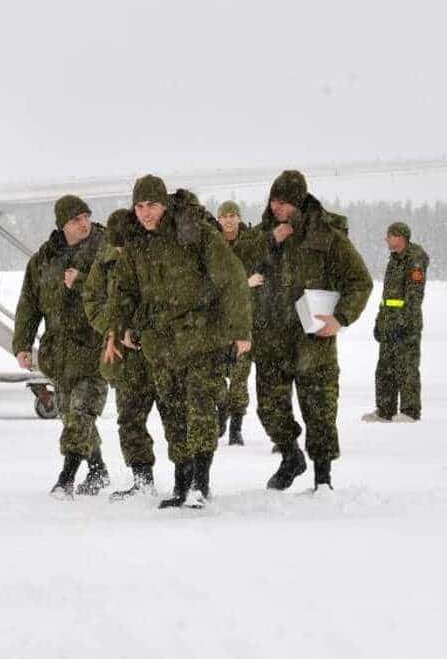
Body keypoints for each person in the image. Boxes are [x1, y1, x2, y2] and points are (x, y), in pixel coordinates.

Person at [108, 176, 251, 509]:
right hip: (161, 344)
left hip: (201, 337)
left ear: (165, 204)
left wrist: (241, 331)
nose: (145, 213)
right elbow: (124, 290)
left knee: (200, 408)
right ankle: (181, 482)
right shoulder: (135, 243)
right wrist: (120, 327)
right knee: (173, 415)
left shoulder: (193, 231)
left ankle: (201, 484)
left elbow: (231, 279)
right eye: (139, 206)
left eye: (152, 205)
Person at [252, 170, 372, 491]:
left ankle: (323, 480)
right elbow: (237, 268)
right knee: (269, 410)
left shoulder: (326, 236)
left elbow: (359, 281)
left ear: (300, 202)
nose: (277, 207)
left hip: (313, 341)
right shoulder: (264, 234)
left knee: (319, 413)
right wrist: (261, 256)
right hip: (271, 339)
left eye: (285, 202)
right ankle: (291, 456)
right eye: (274, 201)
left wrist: (341, 318)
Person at [14, 195, 110, 497]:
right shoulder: (44, 259)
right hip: (60, 352)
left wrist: (82, 281)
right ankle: (98, 471)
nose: (84, 224)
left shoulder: (105, 250)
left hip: (96, 347)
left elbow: (119, 290)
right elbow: (29, 304)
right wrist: (23, 344)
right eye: (75, 220)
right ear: (62, 225)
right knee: (70, 414)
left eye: (86, 217)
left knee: (82, 412)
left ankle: (66, 478)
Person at [83, 209, 159, 499]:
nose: (119, 250)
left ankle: (189, 480)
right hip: (125, 359)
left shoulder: (154, 257)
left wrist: (142, 331)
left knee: (175, 417)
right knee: (129, 420)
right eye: (115, 245)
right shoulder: (105, 263)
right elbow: (93, 301)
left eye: (123, 243)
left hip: (158, 353)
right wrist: (116, 330)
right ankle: (142, 479)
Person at [364, 222, 429, 423]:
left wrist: (404, 322)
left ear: (400, 237)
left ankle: (410, 411)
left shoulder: (415, 259)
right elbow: (388, 296)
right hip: (389, 323)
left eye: (389, 236)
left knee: (406, 367)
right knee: (385, 368)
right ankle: (385, 410)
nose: (386, 239)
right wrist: (379, 320)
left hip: (406, 324)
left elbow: (414, 296)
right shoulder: (394, 260)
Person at [215, 200, 267, 445]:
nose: (228, 220)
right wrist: (243, 284)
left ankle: (236, 426)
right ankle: (221, 414)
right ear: (218, 220)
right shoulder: (211, 245)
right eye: (224, 216)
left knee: (239, 375)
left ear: (239, 218)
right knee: (214, 376)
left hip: (246, 321)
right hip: (217, 322)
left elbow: (263, 276)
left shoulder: (252, 243)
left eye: (232, 215)